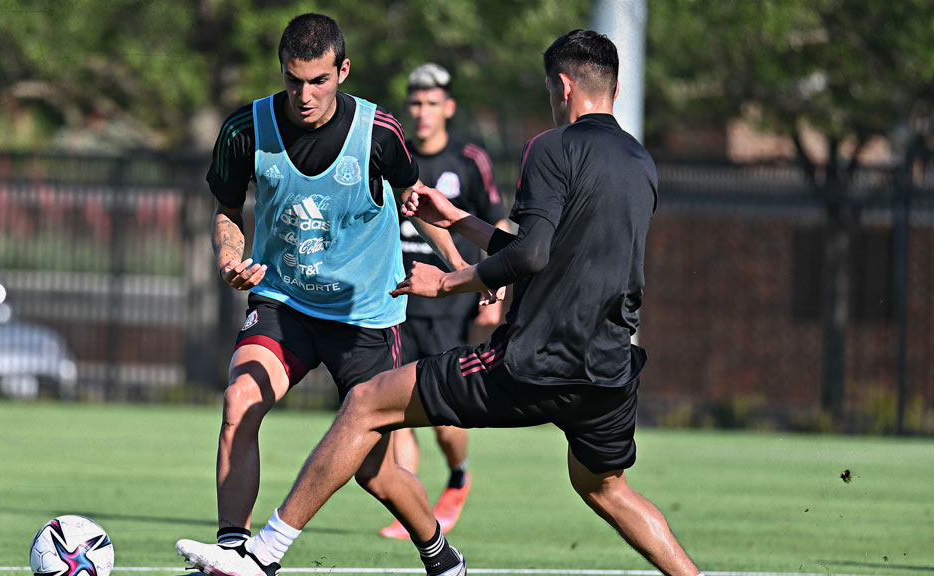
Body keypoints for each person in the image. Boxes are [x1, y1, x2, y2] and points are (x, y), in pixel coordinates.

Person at [241, 29, 703, 576]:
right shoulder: (640, 162)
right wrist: (459, 220)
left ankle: (262, 554)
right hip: (608, 371)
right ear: (617, 88)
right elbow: (550, 254)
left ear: (562, 85)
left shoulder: (551, 147)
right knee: (604, 487)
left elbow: (530, 255)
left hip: (537, 361)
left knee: (365, 402)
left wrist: (449, 282)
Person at [175, 13, 479, 576]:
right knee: (240, 401)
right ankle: (236, 553)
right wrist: (227, 255)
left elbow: (417, 203)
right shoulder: (245, 130)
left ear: (342, 70)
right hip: (284, 301)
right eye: (294, 81)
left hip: (365, 315)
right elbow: (226, 212)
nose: (305, 94)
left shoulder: (379, 133)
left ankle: (441, 556)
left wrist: (463, 269)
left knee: (375, 472)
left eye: (319, 80)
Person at [380, 62, 510, 540]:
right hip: (397, 299)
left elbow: (497, 227)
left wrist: (495, 290)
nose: (422, 111)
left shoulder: (470, 159)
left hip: (450, 304)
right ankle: (408, 505)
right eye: (415, 102)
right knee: (392, 409)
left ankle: (458, 475)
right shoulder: (395, 156)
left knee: (439, 415)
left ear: (448, 107)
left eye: (432, 103)